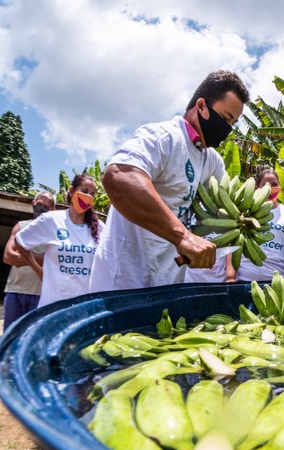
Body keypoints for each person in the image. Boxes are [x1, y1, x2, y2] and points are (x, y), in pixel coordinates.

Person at [89, 70, 249, 290]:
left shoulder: (211, 161)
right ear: (201, 106)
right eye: (224, 118)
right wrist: (183, 237)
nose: (227, 128)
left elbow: (225, 211)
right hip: (123, 282)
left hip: (168, 284)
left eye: (233, 123)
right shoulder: (164, 137)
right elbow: (119, 176)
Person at [14, 175, 100, 307]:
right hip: (53, 305)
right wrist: (38, 270)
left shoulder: (99, 227)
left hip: (85, 306)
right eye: (85, 191)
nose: (88, 196)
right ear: (71, 191)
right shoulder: (51, 220)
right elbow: (20, 241)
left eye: (92, 194)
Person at [2, 192, 55, 329]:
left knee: (32, 335)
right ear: (33, 203)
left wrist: (22, 254)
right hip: (15, 290)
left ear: (53, 210)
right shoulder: (21, 226)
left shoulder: (54, 231)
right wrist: (39, 259)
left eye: (46, 205)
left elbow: (52, 260)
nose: (41, 207)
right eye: (39, 203)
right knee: (11, 335)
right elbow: (8, 257)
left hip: (41, 294)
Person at [237, 168, 284, 281]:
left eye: (275, 184)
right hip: (244, 277)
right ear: (257, 188)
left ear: (280, 186)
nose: (270, 189)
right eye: (265, 184)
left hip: (277, 279)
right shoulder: (245, 212)